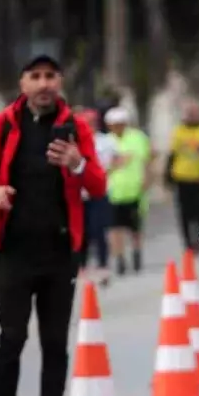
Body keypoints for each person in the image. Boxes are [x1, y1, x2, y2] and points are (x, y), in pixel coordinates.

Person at [0, 54, 107, 396]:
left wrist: (77, 164)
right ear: (23, 83)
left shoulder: (76, 129)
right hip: (12, 252)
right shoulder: (4, 124)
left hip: (60, 254)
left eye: (50, 76)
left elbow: (98, 186)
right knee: (11, 339)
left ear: (59, 82)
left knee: (55, 343)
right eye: (35, 77)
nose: (43, 84)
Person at [103, 107, 152, 276]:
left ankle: (137, 254)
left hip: (135, 190)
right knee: (115, 228)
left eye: (120, 124)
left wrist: (147, 179)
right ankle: (120, 259)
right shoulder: (105, 141)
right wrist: (116, 163)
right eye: (114, 125)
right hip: (113, 192)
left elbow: (147, 160)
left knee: (135, 227)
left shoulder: (138, 138)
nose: (117, 128)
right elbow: (100, 166)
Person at [166, 100, 199, 253]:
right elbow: (172, 154)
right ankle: (188, 243)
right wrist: (167, 176)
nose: (192, 116)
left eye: (194, 113)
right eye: (189, 113)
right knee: (184, 212)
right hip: (182, 177)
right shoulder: (178, 131)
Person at [75, 107, 115, 285]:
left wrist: (105, 172)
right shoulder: (75, 141)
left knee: (98, 230)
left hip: (98, 191)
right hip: (79, 194)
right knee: (81, 232)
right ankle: (81, 266)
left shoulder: (105, 141)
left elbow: (117, 159)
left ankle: (103, 265)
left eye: (91, 122)